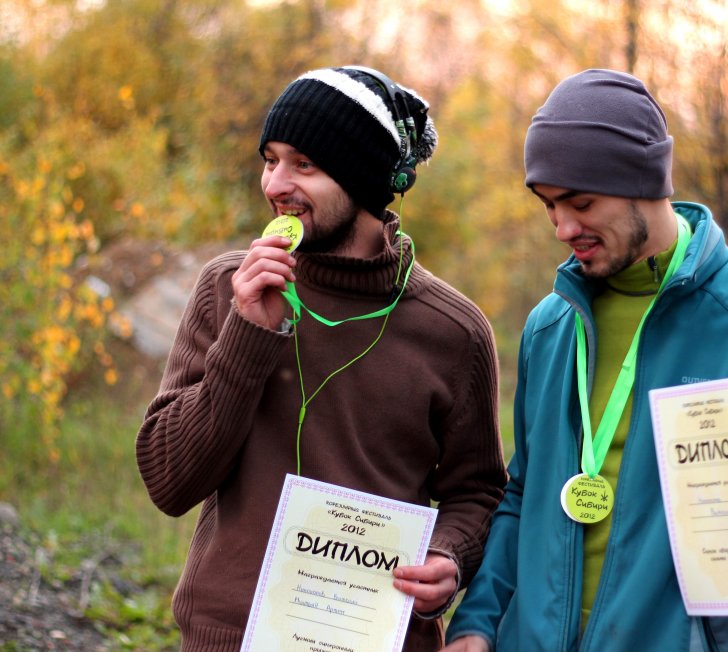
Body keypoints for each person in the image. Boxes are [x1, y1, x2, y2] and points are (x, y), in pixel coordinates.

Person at [443, 69, 728, 651]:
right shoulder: (549, 327)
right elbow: (523, 496)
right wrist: (477, 623)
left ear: (644, 181)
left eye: (580, 202)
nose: (563, 228)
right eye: (549, 206)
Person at [136, 65, 507, 652]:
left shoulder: (453, 331)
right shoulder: (226, 288)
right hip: (230, 638)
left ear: (362, 181)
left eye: (303, 165)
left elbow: (479, 492)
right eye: (270, 159)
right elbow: (170, 483)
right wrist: (248, 333)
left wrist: (449, 556)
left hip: (376, 637)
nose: (275, 184)